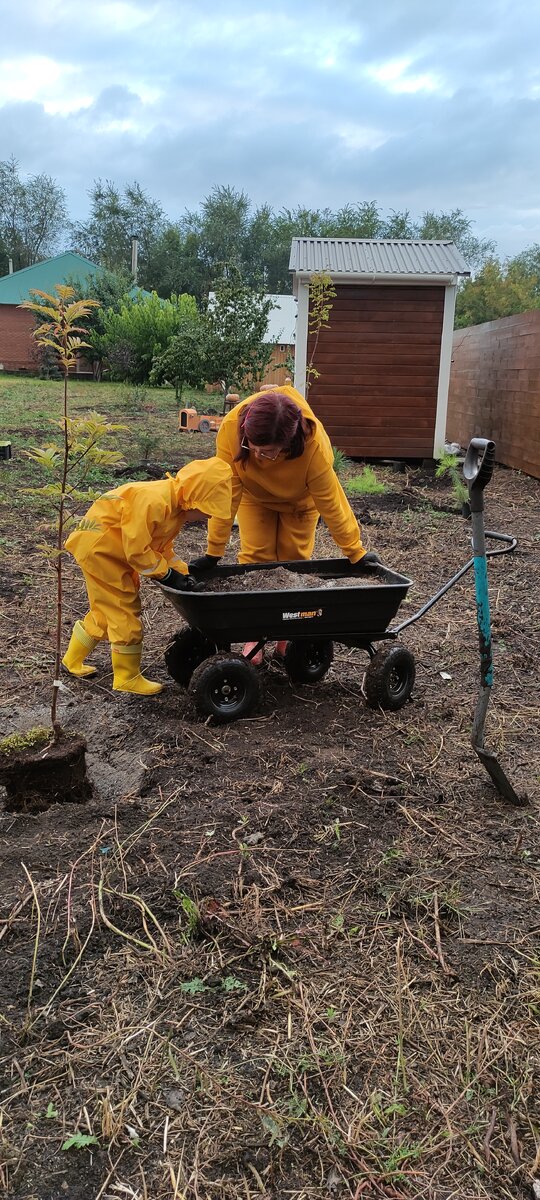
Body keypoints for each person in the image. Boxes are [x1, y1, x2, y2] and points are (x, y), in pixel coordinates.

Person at [189, 384, 379, 663]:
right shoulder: (231, 429)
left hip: (300, 503)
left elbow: (331, 502)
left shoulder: (313, 445)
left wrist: (355, 551)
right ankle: (254, 636)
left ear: (290, 442)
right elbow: (224, 492)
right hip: (254, 497)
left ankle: (286, 636)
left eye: (271, 452)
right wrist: (213, 551)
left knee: (294, 562)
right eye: (255, 449)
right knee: (255, 561)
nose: (262, 457)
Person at [62, 457, 232, 696]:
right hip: (101, 552)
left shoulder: (174, 509)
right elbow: (137, 551)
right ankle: (126, 677)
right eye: (207, 510)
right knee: (124, 609)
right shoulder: (153, 501)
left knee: (104, 611)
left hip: (113, 552)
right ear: (195, 498)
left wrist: (182, 574)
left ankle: (72, 661)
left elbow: (162, 550)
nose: (207, 517)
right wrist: (168, 575)